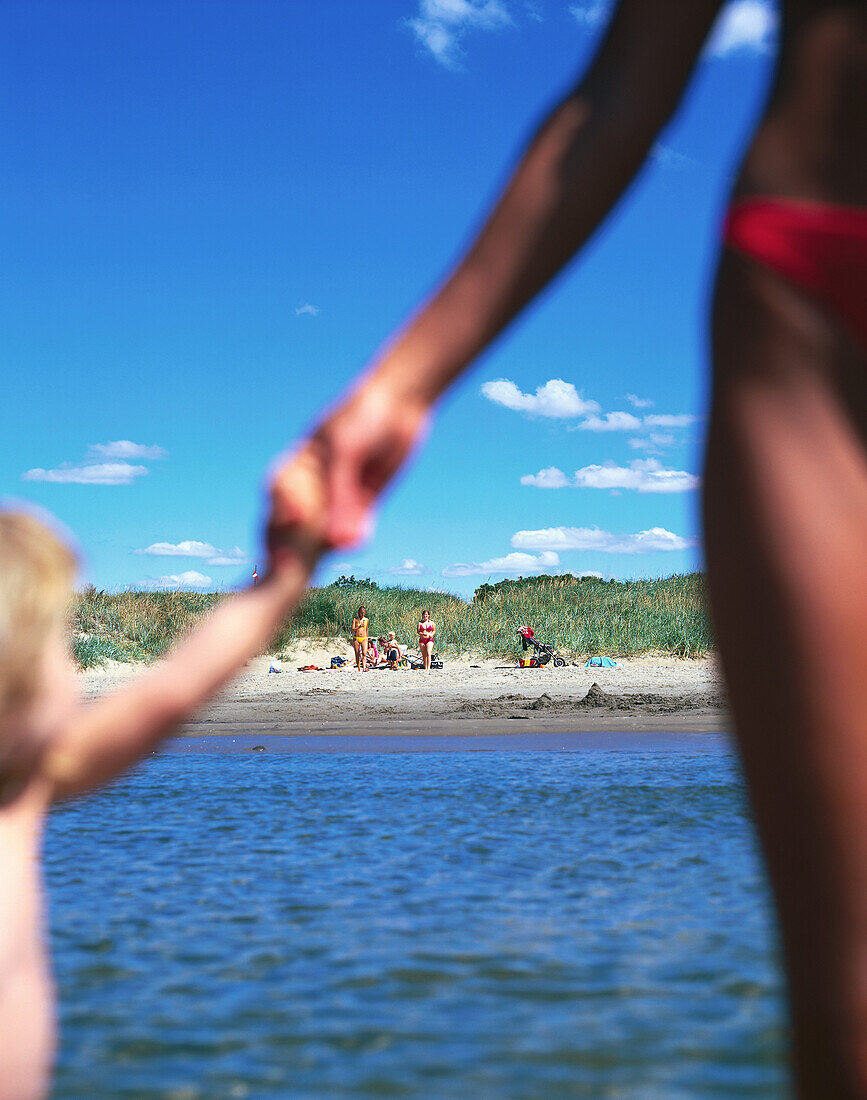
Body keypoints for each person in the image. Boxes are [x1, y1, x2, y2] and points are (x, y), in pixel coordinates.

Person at [269, 2, 867, 1092]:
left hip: (803, 289)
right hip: (808, 281)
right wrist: (405, 381)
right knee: (850, 1011)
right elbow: (625, 84)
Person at [0, 479, 322, 1100]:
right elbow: (170, 690)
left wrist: (287, 575)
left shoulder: (28, 781)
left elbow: (173, 689)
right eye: (60, 643)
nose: (74, 665)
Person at [351, 605, 369, 671]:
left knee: (364, 653)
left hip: (364, 638)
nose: (362, 614)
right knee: (357, 653)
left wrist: (367, 638)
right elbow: (352, 629)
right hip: (356, 638)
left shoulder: (366, 620)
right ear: (359, 612)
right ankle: (359, 667)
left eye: (364, 613)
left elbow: (366, 629)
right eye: (361, 612)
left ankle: (364, 667)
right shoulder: (355, 620)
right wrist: (359, 626)